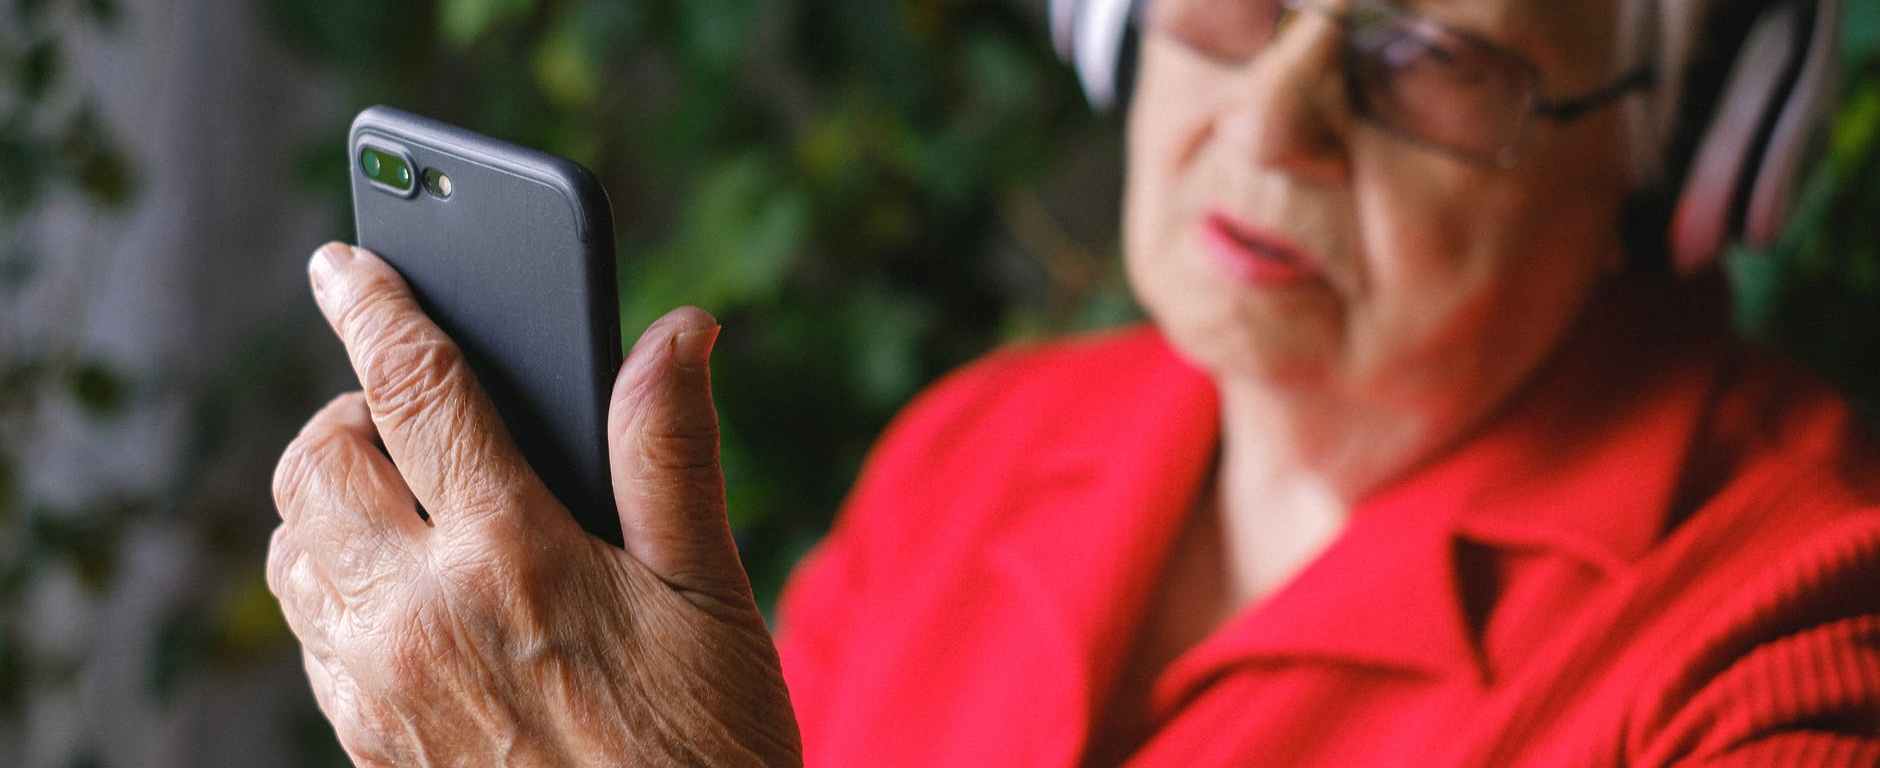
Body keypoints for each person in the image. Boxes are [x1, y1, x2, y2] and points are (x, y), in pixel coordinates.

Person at [266, 0, 1880, 765]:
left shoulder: (1794, 644)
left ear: (1683, 158)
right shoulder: (982, 445)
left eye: (1438, 59)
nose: (1270, 124)